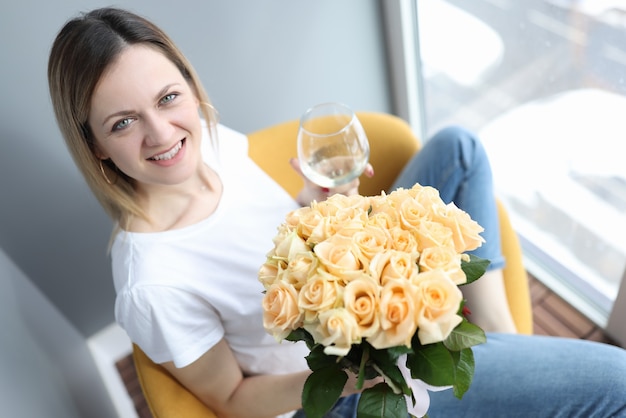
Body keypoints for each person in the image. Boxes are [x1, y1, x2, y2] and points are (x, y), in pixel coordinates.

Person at [48, 7, 626, 418]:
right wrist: (357, 377)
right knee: (616, 385)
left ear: (190, 90)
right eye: (122, 123)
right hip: (328, 386)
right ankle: (493, 363)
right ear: (96, 145)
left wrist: (320, 207)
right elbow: (231, 401)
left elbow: (279, 236)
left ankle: (499, 339)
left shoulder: (214, 141)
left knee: (458, 149)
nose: (160, 133)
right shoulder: (153, 285)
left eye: (168, 98)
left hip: (353, 297)